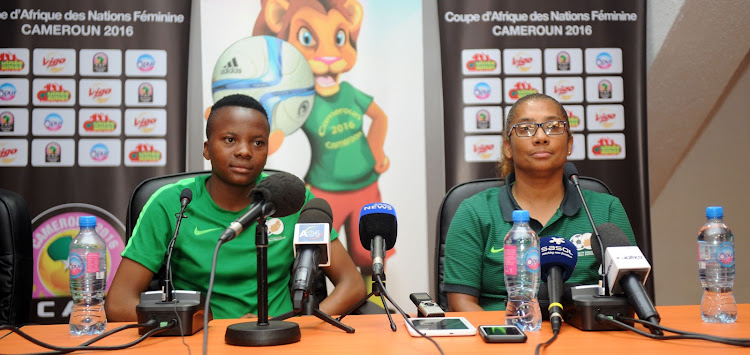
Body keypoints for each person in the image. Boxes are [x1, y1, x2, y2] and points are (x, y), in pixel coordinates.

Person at [106, 94, 365, 321]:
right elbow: (119, 304)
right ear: (207, 149)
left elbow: (352, 285)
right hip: (202, 341)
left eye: (258, 143)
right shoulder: (170, 203)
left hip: (283, 341)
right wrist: (198, 325)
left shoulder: (293, 199)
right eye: (230, 139)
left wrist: (300, 325)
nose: (244, 151)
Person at [443, 93, 636, 312]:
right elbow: (461, 303)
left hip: (587, 337)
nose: (541, 137)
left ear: (569, 143)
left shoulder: (607, 209)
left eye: (553, 127)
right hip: (504, 338)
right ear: (507, 147)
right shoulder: (474, 212)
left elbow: (629, 293)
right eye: (525, 129)